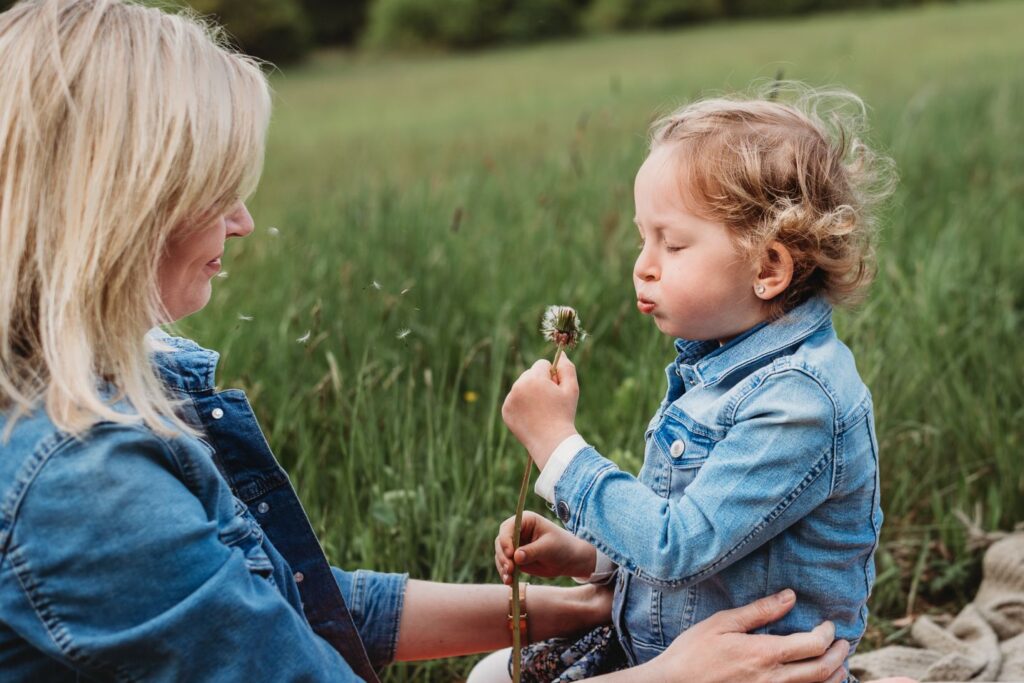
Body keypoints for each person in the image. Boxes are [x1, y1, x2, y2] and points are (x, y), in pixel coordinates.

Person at [0, 1, 865, 681]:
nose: (245, 220)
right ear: (117, 211)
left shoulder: (111, 387)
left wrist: (585, 603)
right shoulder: (82, 484)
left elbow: (296, 603)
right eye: (217, 190)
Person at [490, 86, 896, 682]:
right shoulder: (717, 366)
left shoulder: (798, 402)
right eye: (642, 237)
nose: (643, 264)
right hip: (665, 657)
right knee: (493, 674)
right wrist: (593, 558)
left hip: (759, 674)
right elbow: (706, 527)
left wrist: (559, 451)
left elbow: (680, 546)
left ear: (768, 269)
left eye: (673, 243)